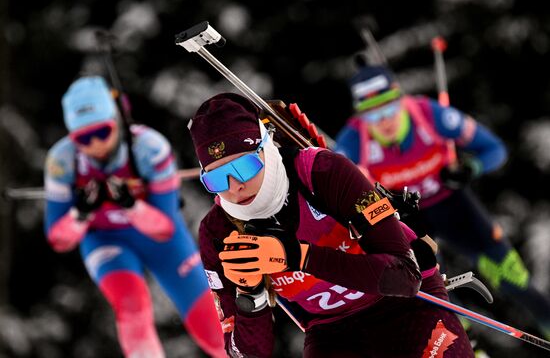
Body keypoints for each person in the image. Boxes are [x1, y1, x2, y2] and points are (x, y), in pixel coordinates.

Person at [188, 92, 475, 357]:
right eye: (216, 178)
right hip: (333, 332)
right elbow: (247, 353)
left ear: (266, 147)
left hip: (407, 307)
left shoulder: (322, 172)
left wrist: (295, 256)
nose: (235, 186)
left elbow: (404, 277)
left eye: (245, 166)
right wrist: (250, 295)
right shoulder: (219, 232)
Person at [334, 64, 550, 339]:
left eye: (388, 108)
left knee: (511, 276)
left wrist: (470, 167)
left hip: (454, 205)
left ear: (401, 100)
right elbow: (339, 197)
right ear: (360, 116)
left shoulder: (429, 115)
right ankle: (467, 343)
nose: (384, 121)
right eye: (372, 114)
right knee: (433, 289)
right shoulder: (352, 142)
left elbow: (495, 150)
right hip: (409, 219)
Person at [44, 76, 225, 358]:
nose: (94, 145)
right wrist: (80, 214)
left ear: (115, 121)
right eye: (82, 138)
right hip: (105, 241)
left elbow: (164, 227)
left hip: (165, 244)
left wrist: (130, 205)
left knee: (214, 329)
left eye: (101, 132)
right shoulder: (62, 161)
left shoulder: (149, 148)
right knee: (131, 306)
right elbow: (58, 239)